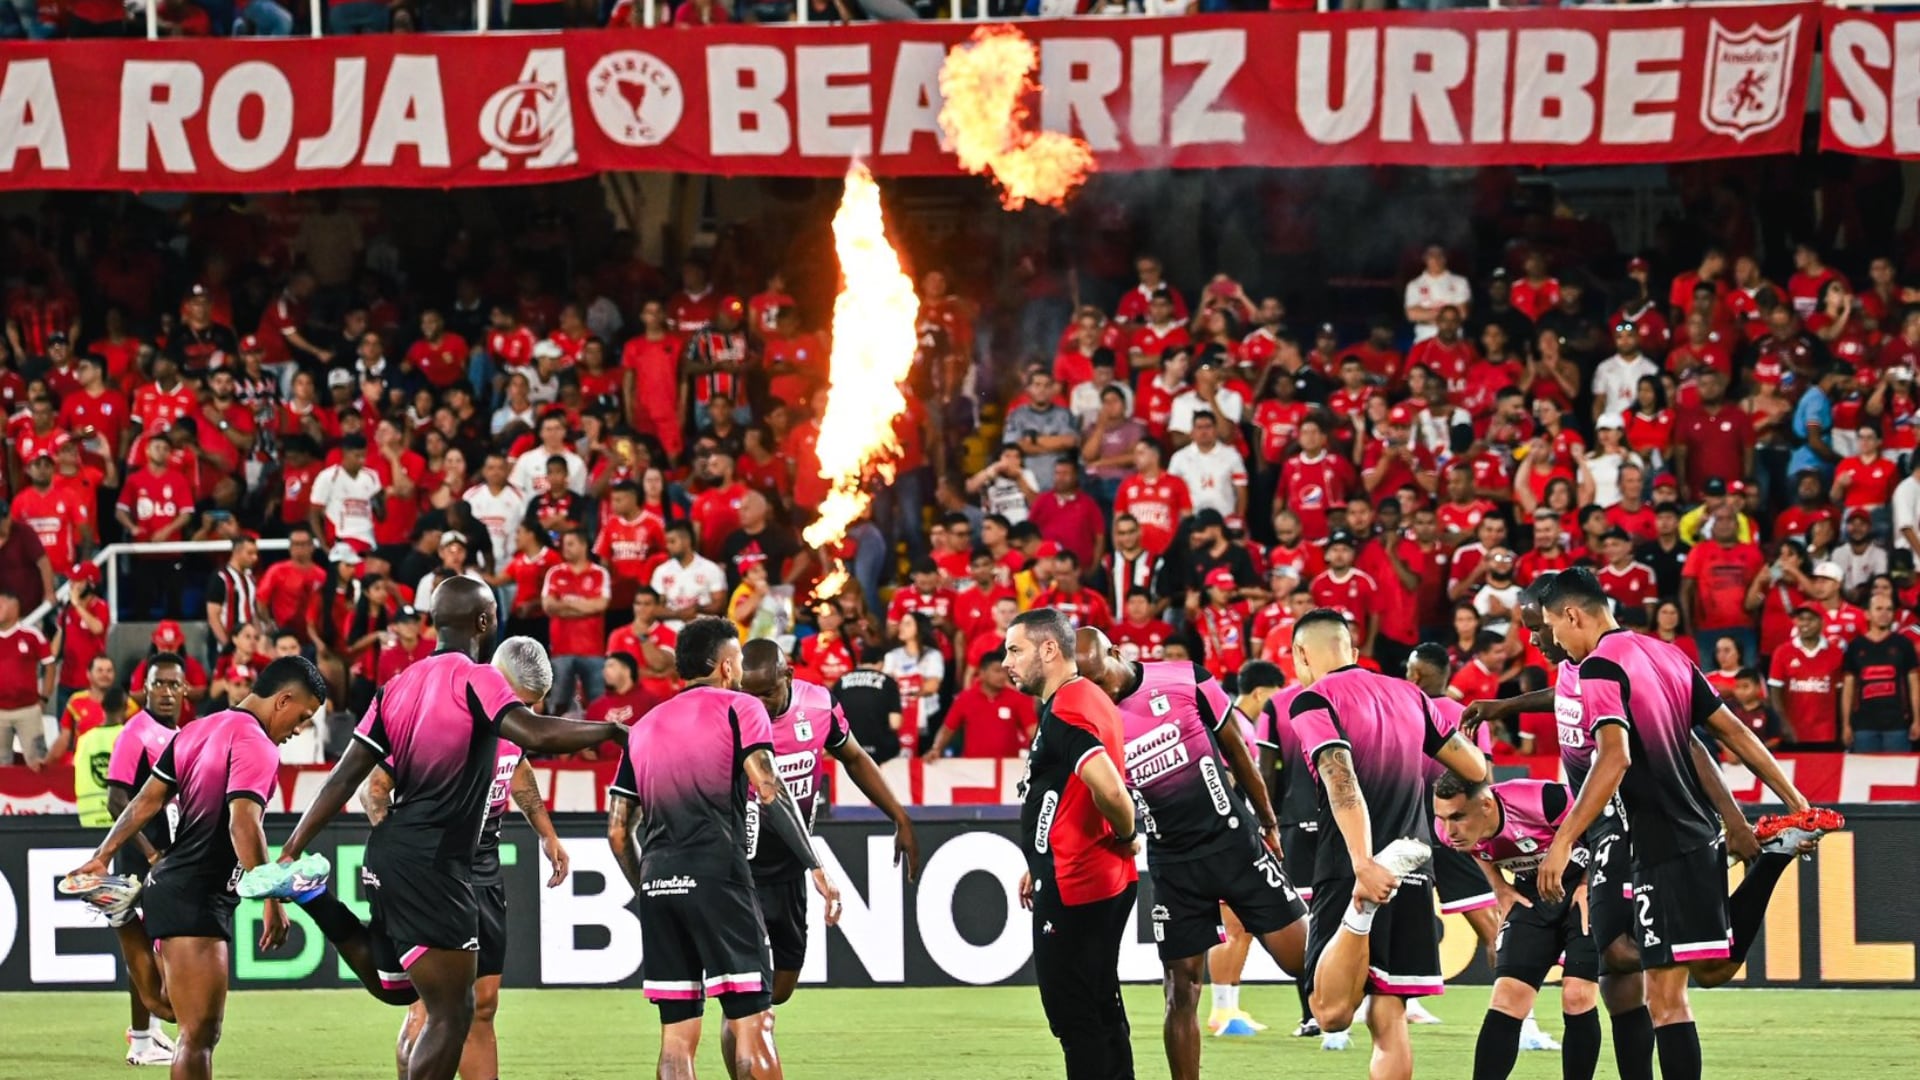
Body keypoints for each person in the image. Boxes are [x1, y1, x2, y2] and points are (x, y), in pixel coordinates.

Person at [251, 578, 626, 1080]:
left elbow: (345, 777)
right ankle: (312, 894)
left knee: (395, 986)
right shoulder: (479, 679)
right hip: (439, 863)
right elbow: (534, 733)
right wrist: (612, 730)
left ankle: (314, 895)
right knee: (453, 1014)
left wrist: (292, 847)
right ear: (485, 622)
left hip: (388, 852)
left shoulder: (397, 686)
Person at [1529, 568, 1840, 1080]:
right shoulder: (1668, 654)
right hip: (1693, 836)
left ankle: (1776, 856)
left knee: (1671, 999)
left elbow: (1615, 759)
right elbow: (1732, 731)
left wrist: (1562, 840)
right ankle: (1779, 851)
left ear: (1571, 614)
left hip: (1662, 845)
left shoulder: (1601, 668)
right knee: (1681, 984)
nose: (1555, 639)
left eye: (1551, 626)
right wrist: (1796, 798)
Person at [60, 657, 331, 1080]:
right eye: (303, 716)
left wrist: (104, 853)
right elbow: (243, 823)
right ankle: (120, 913)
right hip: (198, 894)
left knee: (168, 1004)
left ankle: (121, 914)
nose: (298, 728)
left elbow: (146, 799)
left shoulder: (198, 728)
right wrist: (273, 900)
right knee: (199, 1034)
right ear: (284, 700)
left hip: (168, 883)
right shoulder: (256, 745)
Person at [604, 617, 841, 1080]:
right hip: (719, 877)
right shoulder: (741, 708)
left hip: (658, 880)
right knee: (751, 1025)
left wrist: (649, 886)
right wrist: (814, 864)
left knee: (676, 1040)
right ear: (727, 665)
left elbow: (617, 832)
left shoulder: (644, 726)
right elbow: (769, 789)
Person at [1072, 628, 1305, 1080]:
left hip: (1235, 844)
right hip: (1173, 866)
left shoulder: (1185, 678)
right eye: (1086, 685)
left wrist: (1268, 820)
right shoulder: (1086, 717)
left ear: (1116, 653)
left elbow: (1237, 749)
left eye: (1100, 678)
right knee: (1181, 989)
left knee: (1303, 963)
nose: (1097, 691)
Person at [1286, 608, 1492, 1080]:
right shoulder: (1411, 695)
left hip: (1351, 867)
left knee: (1330, 1013)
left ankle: (1359, 911)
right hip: (1413, 867)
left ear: (1301, 653)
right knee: (1389, 1013)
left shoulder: (1313, 700)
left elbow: (1341, 778)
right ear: (1353, 651)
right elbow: (1475, 768)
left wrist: (1362, 863)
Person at [381, 637, 572, 1080]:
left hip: (483, 868)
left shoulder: (508, 723)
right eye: (520, 704)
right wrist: (404, 854)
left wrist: (546, 833)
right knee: (431, 1006)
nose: (523, 717)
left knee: (483, 1005)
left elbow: (517, 768)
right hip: (434, 870)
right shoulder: (441, 711)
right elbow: (375, 785)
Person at [739, 640, 920, 1006]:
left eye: (768, 693)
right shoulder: (730, 713)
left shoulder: (819, 704)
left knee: (782, 988)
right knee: (747, 991)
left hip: (792, 865)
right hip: (739, 869)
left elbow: (853, 758)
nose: (758, 704)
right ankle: (746, 1036)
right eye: (749, 694)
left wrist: (899, 816)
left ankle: (750, 1030)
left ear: (788, 675)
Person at [1004, 609, 1137, 1080]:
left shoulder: (1068, 708)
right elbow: (1066, 793)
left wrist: (1126, 831)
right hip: (1081, 871)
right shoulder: (1084, 697)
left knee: (1073, 1014)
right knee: (1101, 1004)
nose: (1007, 662)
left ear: (1049, 649)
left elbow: (1110, 788)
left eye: (1015, 649)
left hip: (1077, 884)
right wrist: (1039, 856)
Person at [1432, 774, 1602, 1080]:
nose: (1449, 829)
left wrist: (1589, 884)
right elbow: (1477, 848)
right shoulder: (1448, 831)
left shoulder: (1543, 800)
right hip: (1532, 893)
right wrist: (1499, 886)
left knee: (1577, 995)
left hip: (1586, 889)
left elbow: (1603, 826)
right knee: (1507, 997)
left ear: (1485, 805)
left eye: (1457, 817)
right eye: (1441, 818)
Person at [100, 656, 188, 1067]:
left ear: (185, 690)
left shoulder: (181, 734)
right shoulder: (136, 733)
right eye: (159, 685)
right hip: (143, 857)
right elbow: (117, 799)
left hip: (165, 855)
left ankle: (151, 1032)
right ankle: (139, 1040)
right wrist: (151, 853)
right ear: (145, 689)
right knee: (143, 946)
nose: (166, 692)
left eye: (174, 685)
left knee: (155, 946)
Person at [1840, 593, 1920, 752]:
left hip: (1897, 725)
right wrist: (1846, 725)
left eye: (1889, 609)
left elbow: (1914, 685)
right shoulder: (1855, 646)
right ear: (1867, 614)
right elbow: (1848, 689)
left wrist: (1917, 720)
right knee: (1865, 774)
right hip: (1863, 725)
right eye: (1879, 609)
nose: (1884, 613)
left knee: (1897, 774)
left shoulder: (1904, 644)